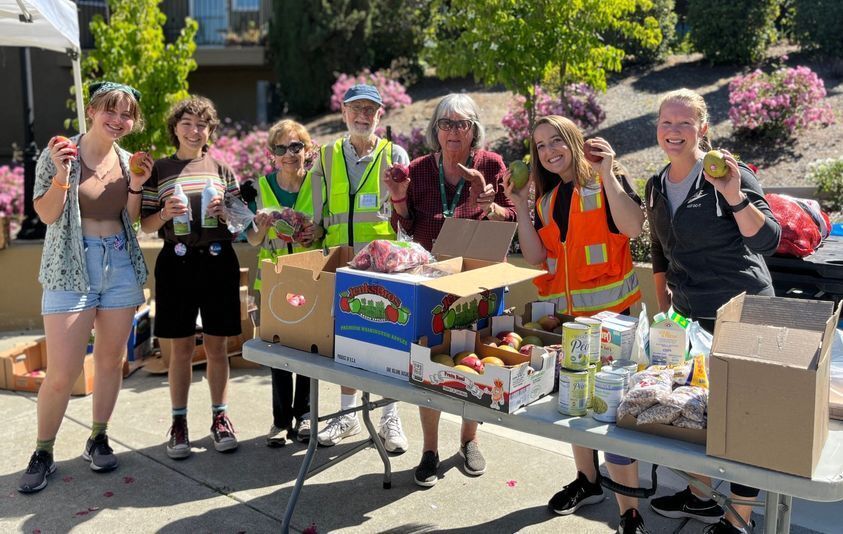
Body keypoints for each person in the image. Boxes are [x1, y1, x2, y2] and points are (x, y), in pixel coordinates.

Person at [504, 115, 647, 534]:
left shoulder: (606, 179)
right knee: (576, 406)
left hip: (614, 322)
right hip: (570, 324)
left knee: (614, 417)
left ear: (574, 140)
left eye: (556, 140)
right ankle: (588, 481)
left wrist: (607, 172)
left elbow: (634, 227)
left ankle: (629, 511)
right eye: (541, 146)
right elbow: (535, 258)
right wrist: (520, 207)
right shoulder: (549, 199)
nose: (549, 151)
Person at [646, 89, 780, 534]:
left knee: (745, 413)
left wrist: (734, 195)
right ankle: (702, 496)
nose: (674, 131)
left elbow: (767, 241)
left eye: (685, 123)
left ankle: (739, 517)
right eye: (667, 122)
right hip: (690, 316)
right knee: (699, 407)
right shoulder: (656, 184)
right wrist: (664, 312)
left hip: (744, 310)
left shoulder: (729, 173)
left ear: (703, 128)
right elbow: (660, 253)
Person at [18, 81, 151, 493]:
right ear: (92, 110)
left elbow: (132, 219)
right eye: (111, 109)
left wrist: (138, 185)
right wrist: (61, 174)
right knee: (62, 372)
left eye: (127, 113)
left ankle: (98, 437)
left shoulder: (129, 161)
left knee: (111, 362)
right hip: (69, 267)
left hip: (120, 268)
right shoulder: (61, 153)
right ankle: (43, 451)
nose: (119, 119)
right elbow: (46, 214)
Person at [385, 93, 515, 486]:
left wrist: (490, 205)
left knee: (472, 362)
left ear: (475, 130)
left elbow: (511, 217)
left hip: (477, 279)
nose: (454, 131)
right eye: (446, 123)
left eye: (462, 124)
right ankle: (429, 449)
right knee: (430, 364)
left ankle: (468, 441)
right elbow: (403, 229)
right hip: (430, 281)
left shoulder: (490, 165)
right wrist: (399, 199)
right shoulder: (420, 169)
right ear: (435, 130)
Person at [140, 96, 242, 460]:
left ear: (210, 131)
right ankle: (179, 424)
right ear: (175, 128)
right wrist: (165, 212)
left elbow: (239, 224)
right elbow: (146, 225)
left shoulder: (222, 168)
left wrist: (225, 212)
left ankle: (220, 418)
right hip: (176, 263)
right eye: (187, 122)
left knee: (217, 347)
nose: (194, 130)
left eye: (201, 124)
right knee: (180, 349)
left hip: (217, 261)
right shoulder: (160, 170)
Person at [309, 84, 410, 453]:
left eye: (371, 109)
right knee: (344, 341)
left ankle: (388, 416)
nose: (363, 115)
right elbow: (316, 217)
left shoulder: (395, 154)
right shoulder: (326, 156)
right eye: (356, 109)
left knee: (386, 342)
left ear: (380, 116)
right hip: (340, 264)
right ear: (344, 113)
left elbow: (405, 214)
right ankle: (347, 415)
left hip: (383, 266)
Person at [245, 119, 322, 447]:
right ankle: (280, 420)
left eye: (296, 147)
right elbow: (251, 239)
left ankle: (303, 415)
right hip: (273, 278)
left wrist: (316, 232)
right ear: (271, 154)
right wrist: (261, 227)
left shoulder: (319, 183)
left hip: (309, 275)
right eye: (282, 148)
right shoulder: (260, 187)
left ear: (306, 150)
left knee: (308, 349)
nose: (289, 154)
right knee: (277, 349)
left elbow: (326, 227)